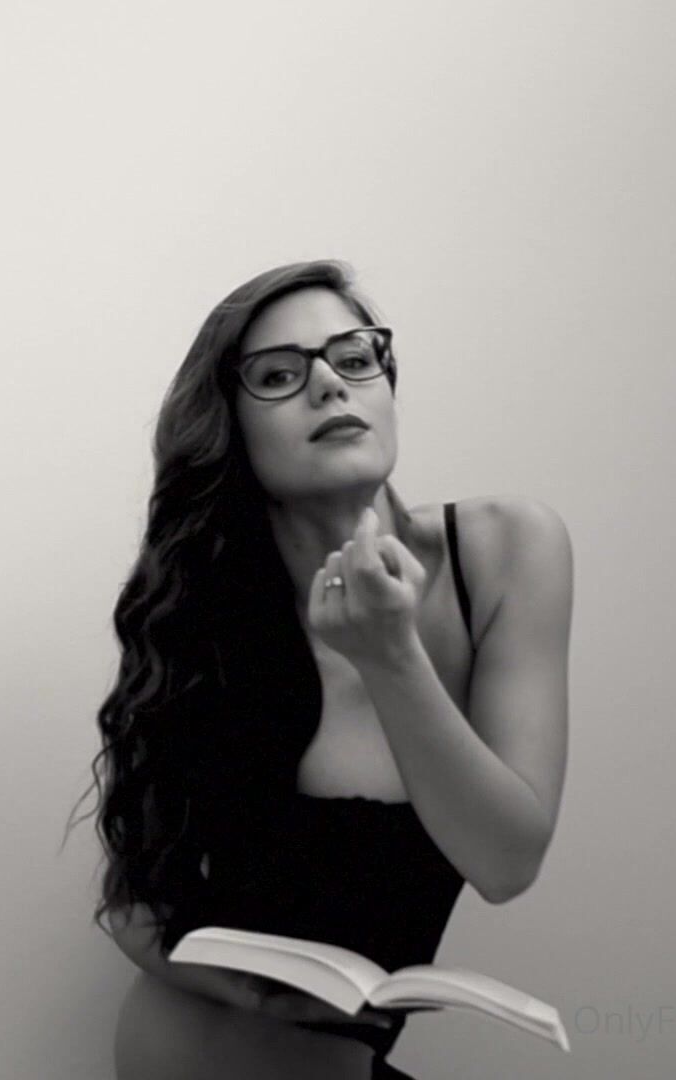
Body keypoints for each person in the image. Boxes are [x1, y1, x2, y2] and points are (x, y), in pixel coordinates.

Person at [74, 260, 573, 1079]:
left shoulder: (507, 551)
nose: (330, 385)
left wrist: (389, 654)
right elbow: (131, 905)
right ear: (232, 429)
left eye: (354, 357)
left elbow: (507, 862)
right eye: (279, 375)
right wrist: (261, 995)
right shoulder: (203, 613)